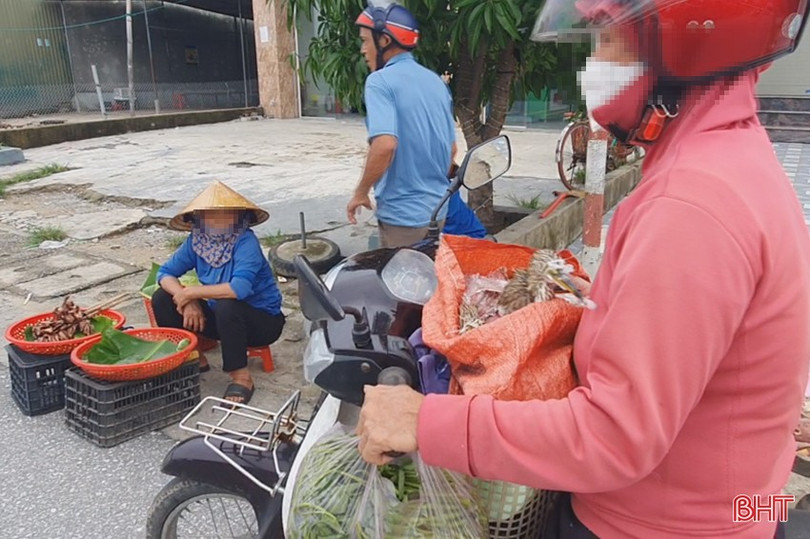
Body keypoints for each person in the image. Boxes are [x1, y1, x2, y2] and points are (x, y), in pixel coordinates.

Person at [356, 1, 810, 537]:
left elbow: (615, 435)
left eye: (608, 38)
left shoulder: (691, 205)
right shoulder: (730, 159)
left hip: (653, 525)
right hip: (735, 502)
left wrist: (426, 421)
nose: (594, 66)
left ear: (687, 46)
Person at [152, 181, 285, 405]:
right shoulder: (196, 242)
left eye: (225, 215)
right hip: (222, 320)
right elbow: (165, 273)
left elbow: (238, 289)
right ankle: (194, 358)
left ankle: (241, 378)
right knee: (161, 298)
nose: (217, 221)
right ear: (197, 219)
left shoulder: (246, 242)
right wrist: (185, 300)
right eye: (209, 215)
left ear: (238, 217)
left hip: (261, 322)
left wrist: (192, 292)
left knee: (227, 304)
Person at [346, 2, 457, 248]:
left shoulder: (379, 82)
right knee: (431, 281)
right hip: (438, 213)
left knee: (401, 284)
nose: (363, 50)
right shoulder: (436, 83)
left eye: (365, 41)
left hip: (402, 220)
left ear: (384, 40)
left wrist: (361, 192)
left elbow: (385, 145)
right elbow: (451, 151)